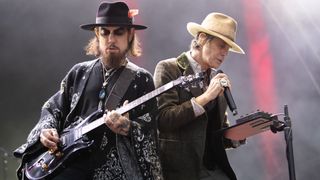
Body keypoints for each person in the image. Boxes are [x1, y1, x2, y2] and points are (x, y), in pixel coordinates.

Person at [13, 2, 162, 180]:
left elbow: (153, 127)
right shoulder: (79, 73)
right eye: (105, 32)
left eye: (118, 32)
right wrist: (47, 131)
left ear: (130, 35)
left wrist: (128, 127)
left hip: (115, 169)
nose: (111, 39)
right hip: (69, 162)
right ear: (97, 34)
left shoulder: (142, 79)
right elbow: (53, 109)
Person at [153, 12, 245, 180]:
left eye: (228, 48)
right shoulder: (169, 68)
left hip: (214, 170)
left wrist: (239, 134)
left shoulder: (217, 78)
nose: (225, 53)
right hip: (179, 171)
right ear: (202, 38)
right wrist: (206, 97)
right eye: (221, 45)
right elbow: (163, 120)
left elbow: (215, 134)